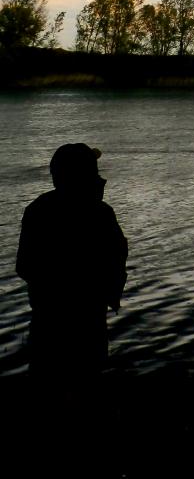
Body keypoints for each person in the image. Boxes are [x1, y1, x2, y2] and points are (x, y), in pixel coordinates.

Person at [16, 142, 128, 381]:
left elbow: (23, 266)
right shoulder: (101, 213)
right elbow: (117, 259)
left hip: (48, 325)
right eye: (93, 169)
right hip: (88, 324)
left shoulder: (37, 210)